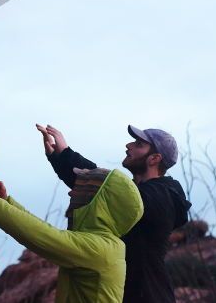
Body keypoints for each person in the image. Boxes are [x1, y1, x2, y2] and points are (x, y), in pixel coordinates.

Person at [36, 124, 192, 303]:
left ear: (154, 158)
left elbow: (106, 190)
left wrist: (65, 154)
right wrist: (58, 156)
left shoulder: (164, 196)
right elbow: (102, 188)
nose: (129, 145)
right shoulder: (142, 193)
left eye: (139, 144)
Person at [0, 168, 143, 303]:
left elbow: (36, 233)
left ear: (100, 203)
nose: (71, 192)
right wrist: (4, 200)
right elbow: (43, 229)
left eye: (83, 189)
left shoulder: (99, 250)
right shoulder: (104, 244)